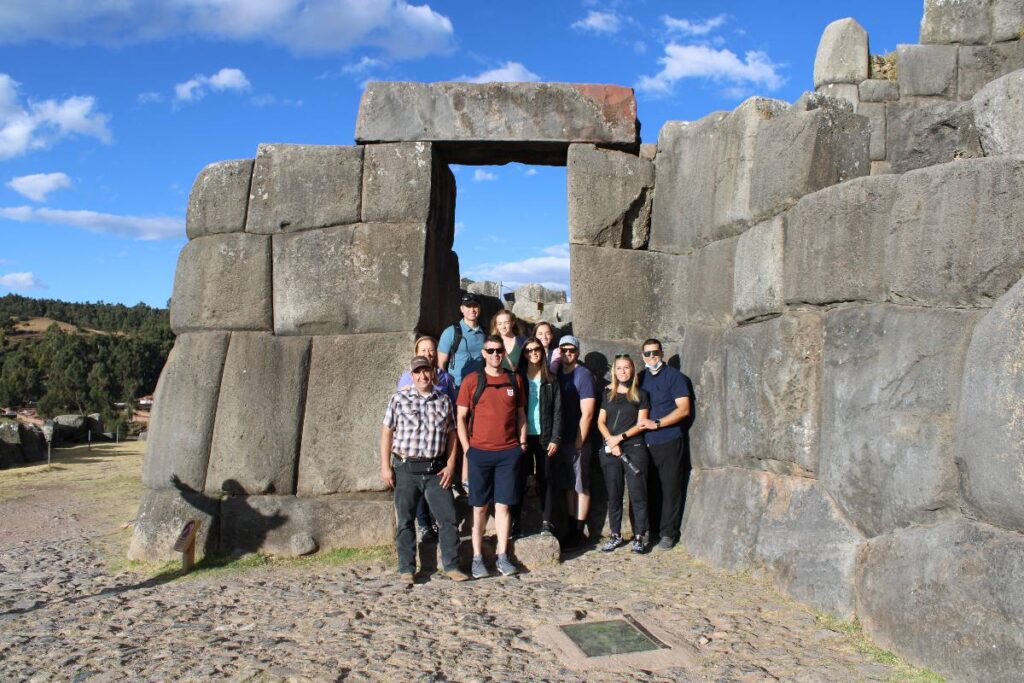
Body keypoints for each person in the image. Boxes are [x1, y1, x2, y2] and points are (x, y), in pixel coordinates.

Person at [380, 356, 469, 584]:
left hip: (436, 469)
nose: (422, 376)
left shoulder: (444, 401)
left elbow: (451, 435)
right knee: (406, 520)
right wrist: (385, 467)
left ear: (433, 373)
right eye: (418, 372)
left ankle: (451, 565)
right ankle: (406, 569)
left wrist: (450, 464)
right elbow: (387, 433)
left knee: (448, 519)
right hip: (406, 468)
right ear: (412, 375)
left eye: (426, 371)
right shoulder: (398, 399)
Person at [456, 335, 527, 578]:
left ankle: (502, 555)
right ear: (483, 353)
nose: (496, 354)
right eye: (491, 351)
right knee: (479, 508)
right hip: (480, 453)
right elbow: (461, 418)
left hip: (508, 452)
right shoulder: (471, 381)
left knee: (504, 506)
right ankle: (477, 558)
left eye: (499, 351)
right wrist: (468, 449)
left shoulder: (514, 380)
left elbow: (521, 415)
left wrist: (522, 443)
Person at [395, 335, 457, 544]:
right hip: (415, 445)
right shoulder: (408, 377)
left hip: (437, 442)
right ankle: (424, 525)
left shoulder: (445, 378)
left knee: (437, 488)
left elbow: (452, 412)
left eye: (431, 350)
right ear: (416, 352)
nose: (428, 354)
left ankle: (435, 522)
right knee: (417, 491)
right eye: (423, 350)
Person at [637, 338, 693, 550]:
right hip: (645, 443)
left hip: (669, 439)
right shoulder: (641, 378)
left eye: (655, 353)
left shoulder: (675, 377)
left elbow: (684, 409)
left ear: (662, 353)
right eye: (648, 354)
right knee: (650, 488)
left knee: (670, 487)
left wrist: (657, 423)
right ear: (642, 356)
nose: (652, 357)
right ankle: (651, 530)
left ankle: (668, 533)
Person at [596, 354, 651, 554]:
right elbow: (600, 422)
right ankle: (615, 535)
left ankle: (639, 536)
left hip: (633, 448)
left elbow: (641, 424)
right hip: (611, 450)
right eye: (619, 368)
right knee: (614, 494)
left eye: (626, 367)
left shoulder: (641, 395)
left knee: (638, 494)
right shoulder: (608, 394)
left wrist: (620, 438)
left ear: (632, 370)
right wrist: (611, 440)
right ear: (614, 371)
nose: (623, 371)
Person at [511, 337, 562, 538]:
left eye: (536, 350)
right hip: (523, 436)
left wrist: (556, 438)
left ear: (542, 352)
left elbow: (559, 411)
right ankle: (516, 522)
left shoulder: (551, 379)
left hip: (545, 435)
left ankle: (547, 522)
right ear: (523, 354)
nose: (533, 353)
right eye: (528, 350)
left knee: (546, 479)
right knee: (519, 478)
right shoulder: (518, 378)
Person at [438, 293, 488, 493]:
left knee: (472, 432)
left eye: (475, 306)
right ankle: (452, 476)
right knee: (453, 433)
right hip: (455, 389)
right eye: (468, 306)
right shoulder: (451, 332)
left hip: (478, 390)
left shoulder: (484, 333)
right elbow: (441, 365)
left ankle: (467, 477)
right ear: (462, 309)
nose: (472, 309)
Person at [555, 335, 597, 547]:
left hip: (577, 439)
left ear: (578, 352)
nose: (567, 353)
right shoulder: (556, 374)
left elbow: (587, 413)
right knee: (569, 486)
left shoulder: (584, 375)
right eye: (564, 350)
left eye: (571, 350)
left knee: (580, 485)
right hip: (560, 439)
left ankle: (579, 530)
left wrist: (580, 441)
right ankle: (571, 527)